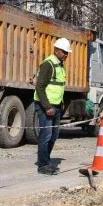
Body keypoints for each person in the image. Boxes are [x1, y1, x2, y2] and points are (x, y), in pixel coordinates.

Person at [34, 38, 72, 175]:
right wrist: (47, 107)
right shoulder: (48, 64)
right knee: (46, 135)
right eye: (64, 52)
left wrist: (60, 105)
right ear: (56, 50)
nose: (66, 55)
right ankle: (43, 165)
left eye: (67, 53)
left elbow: (58, 88)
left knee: (53, 136)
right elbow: (39, 87)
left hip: (55, 106)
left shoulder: (59, 65)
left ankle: (46, 161)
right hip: (46, 107)